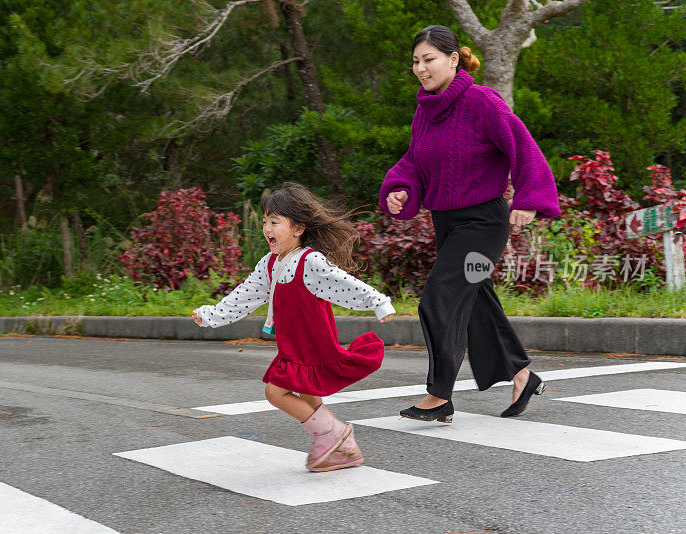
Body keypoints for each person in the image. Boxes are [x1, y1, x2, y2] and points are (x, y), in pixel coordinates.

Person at [379, 25, 561, 423]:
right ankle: (522, 374)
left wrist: (529, 199)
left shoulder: (482, 102)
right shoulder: (425, 109)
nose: (421, 68)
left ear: (453, 59)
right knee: (477, 300)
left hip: (482, 225)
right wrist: (401, 187)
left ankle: (439, 395)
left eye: (429, 59)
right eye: (415, 61)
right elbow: (414, 160)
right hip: (448, 224)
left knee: (439, 298)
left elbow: (523, 146)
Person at [192, 183, 395, 471]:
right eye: (265, 222)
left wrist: (378, 302)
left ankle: (333, 434)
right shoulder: (271, 263)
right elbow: (245, 295)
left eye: (275, 222)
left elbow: (342, 283)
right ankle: (344, 449)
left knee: (275, 392)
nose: (267, 228)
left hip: (311, 343)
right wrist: (212, 314)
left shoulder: (309, 260)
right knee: (306, 394)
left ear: (298, 228)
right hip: (293, 344)